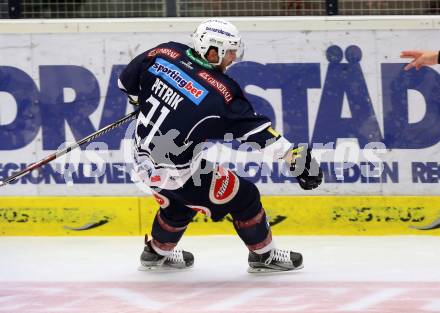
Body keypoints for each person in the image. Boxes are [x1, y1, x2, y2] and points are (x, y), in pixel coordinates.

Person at [118, 18, 322, 273]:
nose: (233, 58)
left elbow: (126, 83)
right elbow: (257, 134)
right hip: (177, 173)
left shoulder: (165, 52)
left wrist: (139, 102)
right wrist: (296, 159)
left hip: (140, 162)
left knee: (178, 203)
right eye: (230, 52)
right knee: (245, 196)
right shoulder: (220, 93)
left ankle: (156, 252)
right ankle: (263, 256)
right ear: (212, 51)